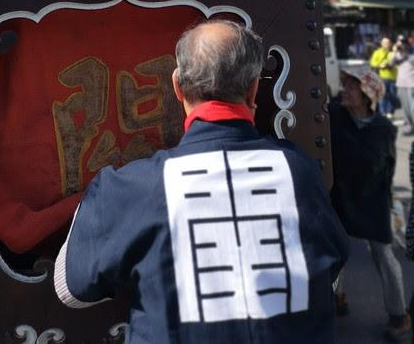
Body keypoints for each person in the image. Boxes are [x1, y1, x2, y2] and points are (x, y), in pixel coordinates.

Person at [54, 20, 348, 343]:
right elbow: (330, 271)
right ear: (253, 88)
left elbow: (71, 289)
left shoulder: (134, 188)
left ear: (177, 86)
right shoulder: (298, 172)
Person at [330, 67, 410, 342]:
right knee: (337, 252)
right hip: (341, 195)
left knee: (384, 256)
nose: (345, 90)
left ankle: (399, 315)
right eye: (345, 84)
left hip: (373, 200)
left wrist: (388, 203)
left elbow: (388, 166)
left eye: (351, 86)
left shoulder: (383, 129)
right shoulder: (334, 116)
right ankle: (337, 298)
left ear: (366, 95)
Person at [370, 38, 398, 117]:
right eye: (385, 43)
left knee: (392, 95)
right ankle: (383, 113)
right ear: (381, 44)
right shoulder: (378, 52)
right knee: (383, 95)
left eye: (388, 43)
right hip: (383, 77)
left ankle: (390, 112)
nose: (387, 44)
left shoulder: (393, 52)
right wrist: (380, 65)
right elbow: (373, 63)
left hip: (393, 77)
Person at [394, 40, 414, 135]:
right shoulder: (397, 56)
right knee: (405, 108)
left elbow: (407, 58)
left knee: (412, 108)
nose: (399, 46)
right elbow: (390, 64)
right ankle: (410, 126)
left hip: (411, 85)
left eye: (400, 44)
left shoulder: (411, 57)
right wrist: (395, 52)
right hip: (401, 84)